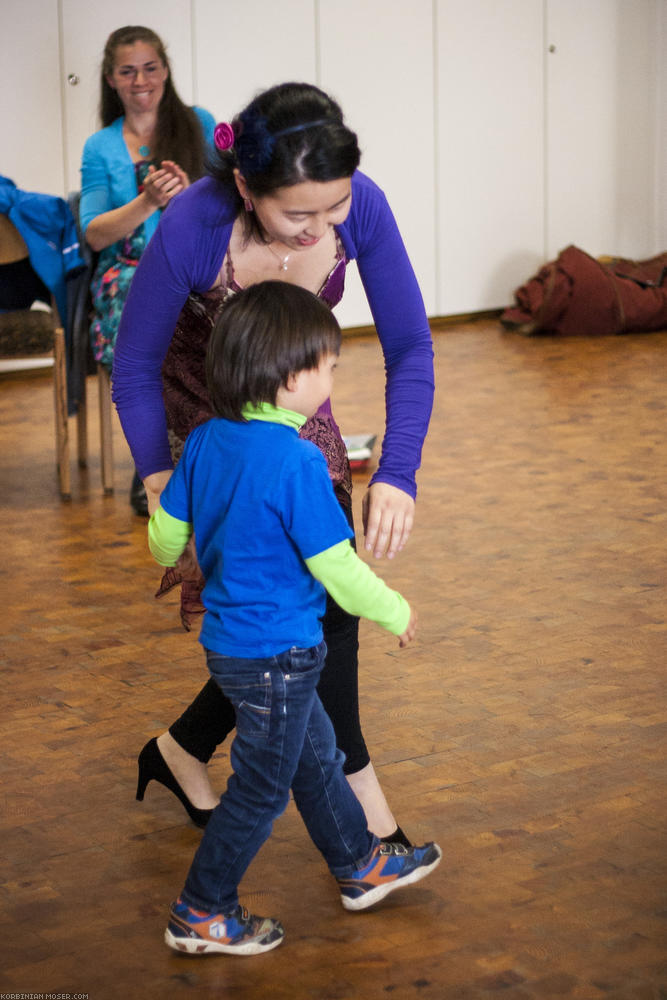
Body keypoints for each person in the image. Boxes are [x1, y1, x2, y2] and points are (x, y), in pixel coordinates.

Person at [115, 81, 435, 842]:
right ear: (244, 187)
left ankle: (181, 749)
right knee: (286, 591)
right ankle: (362, 803)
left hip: (294, 406)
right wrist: (160, 474)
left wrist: (397, 471)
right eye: (299, 213)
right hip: (204, 408)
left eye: (334, 209)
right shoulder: (193, 224)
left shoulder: (361, 205)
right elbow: (133, 365)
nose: (321, 227)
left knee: (301, 588)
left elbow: (410, 347)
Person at [149, 281, 441, 955]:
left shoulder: (205, 442)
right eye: (328, 365)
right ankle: (201, 909)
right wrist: (393, 608)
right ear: (287, 377)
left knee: (316, 759)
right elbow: (335, 569)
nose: (333, 376)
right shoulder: (298, 462)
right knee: (257, 792)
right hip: (279, 654)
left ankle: (358, 863)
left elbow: (164, 543)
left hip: (233, 650)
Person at [79, 25, 215, 514]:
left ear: (165, 71)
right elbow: (93, 233)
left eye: (150, 67)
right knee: (143, 323)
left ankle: (211, 457)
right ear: (111, 79)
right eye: (128, 70)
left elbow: (232, 197)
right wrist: (148, 200)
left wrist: (193, 189)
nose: (141, 80)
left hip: (199, 266)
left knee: (226, 320)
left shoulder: (198, 124)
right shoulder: (101, 147)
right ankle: (154, 466)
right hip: (130, 270)